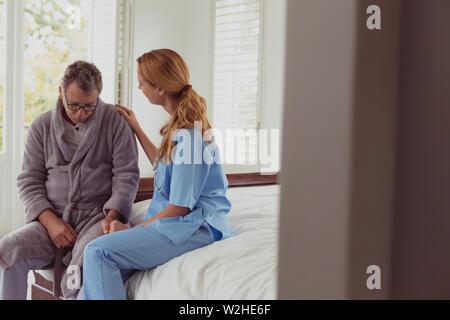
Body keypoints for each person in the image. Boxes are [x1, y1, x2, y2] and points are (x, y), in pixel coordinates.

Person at [82, 49, 233, 300]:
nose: (139, 86)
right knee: (94, 274)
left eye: (142, 81)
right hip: (183, 223)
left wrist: (132, 230)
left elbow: (180, 207)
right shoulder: (179, 130)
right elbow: (166, 166)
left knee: (98, 251)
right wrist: (137, 129)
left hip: (194, 227)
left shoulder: (190, 137)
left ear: (160, 88)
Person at [0, 61, 140, 300]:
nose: (80, 114)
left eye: (89, 107)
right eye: (73, 105)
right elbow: (29, 180)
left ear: (98, 96)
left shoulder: (115, 121)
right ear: (60, 92)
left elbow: (126, 175)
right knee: (8, 250)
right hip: (51, 218)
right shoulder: (41, 126)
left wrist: (113, 216)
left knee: (87, 261)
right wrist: (50, 221)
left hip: (97, 217)